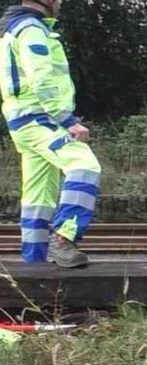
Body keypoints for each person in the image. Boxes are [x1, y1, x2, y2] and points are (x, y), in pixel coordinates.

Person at [0, 0, 99, 268]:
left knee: (38, 193)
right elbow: (41, 78)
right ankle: (63, 239)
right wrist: (67, 120)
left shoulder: (13, 28)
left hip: (22, 120)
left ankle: (34, 261)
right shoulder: (32, 29)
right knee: (85, 166)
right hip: (39, 117)